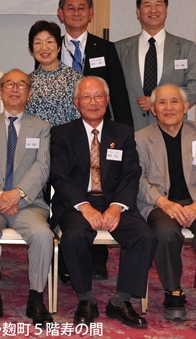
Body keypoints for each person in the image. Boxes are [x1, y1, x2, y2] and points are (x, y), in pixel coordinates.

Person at [49, 76, 157, 328]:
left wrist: (117, 206)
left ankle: (120, 301)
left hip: (113, 202)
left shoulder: (123, 133)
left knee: (145, 236)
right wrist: (83, 206)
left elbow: (132, 174)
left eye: (99, 96)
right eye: (86, 97)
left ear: (107, 100)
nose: (93, 102)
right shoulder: (62, 133)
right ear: (76, 102)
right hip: (76, 203)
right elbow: (58, 175)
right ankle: (85, 299)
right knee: (74, 236)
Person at [136, 84, 196, 332]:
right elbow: (138, 179)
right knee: (165, 232)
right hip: (160, 202)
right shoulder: (141, 138)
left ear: (186, 106)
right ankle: (173, 292)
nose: (169, 108)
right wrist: (164, 202)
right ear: (154, 109)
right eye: (162, 103)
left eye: (174, 102)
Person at [57, 0, 133, 281]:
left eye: (82, 8)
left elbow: (119, 93)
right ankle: (67, 257)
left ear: (90, 13)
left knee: (101, 187)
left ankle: (98, 259)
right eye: (70, 8)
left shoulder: (105, 48)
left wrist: (125, 131)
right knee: (70, 187)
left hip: (100, 129)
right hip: (65, 132)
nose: (76, 13)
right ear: (60, 13)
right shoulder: (51, 46)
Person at [0, 69, 53, 327]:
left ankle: (36, 298)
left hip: (28, 202)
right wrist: (0, 195)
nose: (15, 89)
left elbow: (42, 167)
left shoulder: (41, 127)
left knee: (43, 234)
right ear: (1, 90)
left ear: (29, 92)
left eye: (22, 85)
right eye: (9, 84)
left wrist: (17, 193)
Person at [115, 0, 196, 130]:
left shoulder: (186, 48)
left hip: (171, 127)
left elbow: (195, 88)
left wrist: (158, 102)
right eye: (147, 5)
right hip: (130, 129)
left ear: (166, 10)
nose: (153, 10)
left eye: (158, 5)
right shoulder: (119, 49)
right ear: (138, 12)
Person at [24, 20, 83, 128]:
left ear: (59, 47)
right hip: (37, 141)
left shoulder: (76, 78)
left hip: (68, 141)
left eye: (49, 42)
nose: (44, 47)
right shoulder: (26, 82)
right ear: (31, 50)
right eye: (38, 43)